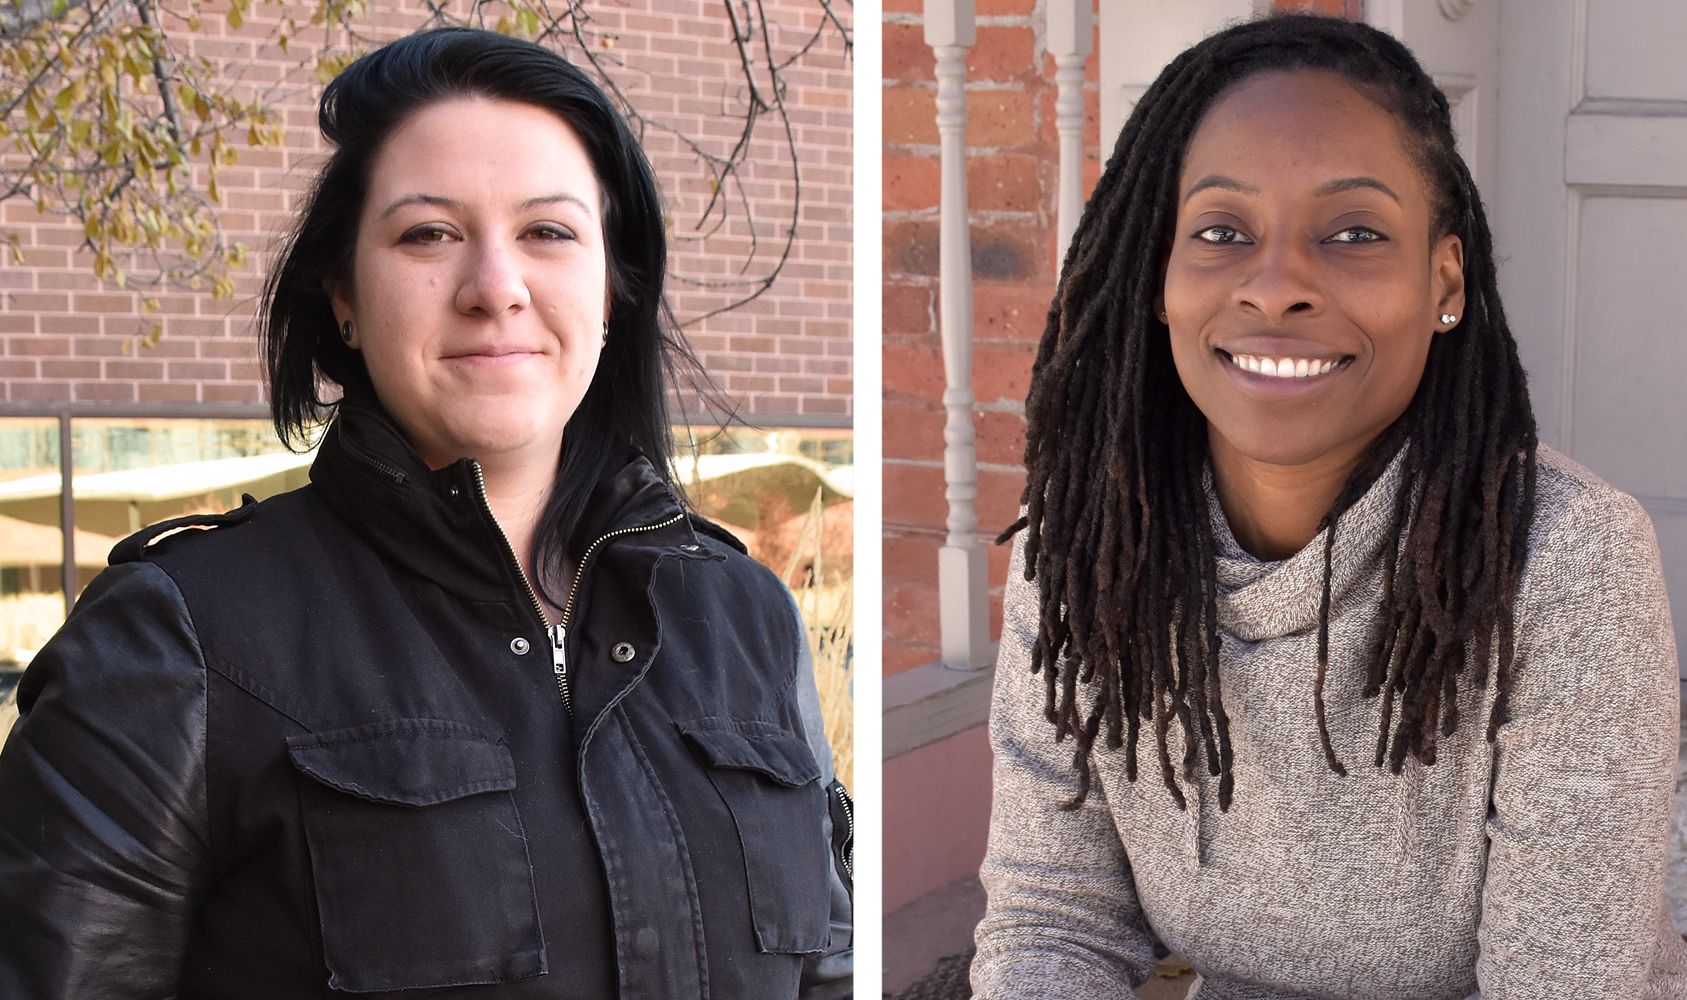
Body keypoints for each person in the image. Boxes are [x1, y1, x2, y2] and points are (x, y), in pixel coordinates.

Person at [0, 28, 851, 1000]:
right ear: (344, 299)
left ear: (612, 291)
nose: (496, 287)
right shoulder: (179, 640)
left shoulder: (748, 618)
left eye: (550, 231)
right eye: (428, 233)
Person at [972, 14, 1685, 999]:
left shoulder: (1565, 557)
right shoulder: (1085, 552)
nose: (1278, 286)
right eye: (1221, 232)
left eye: (1353, 232)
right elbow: (1053, 913)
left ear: (1444, 282)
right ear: (1157, 278)